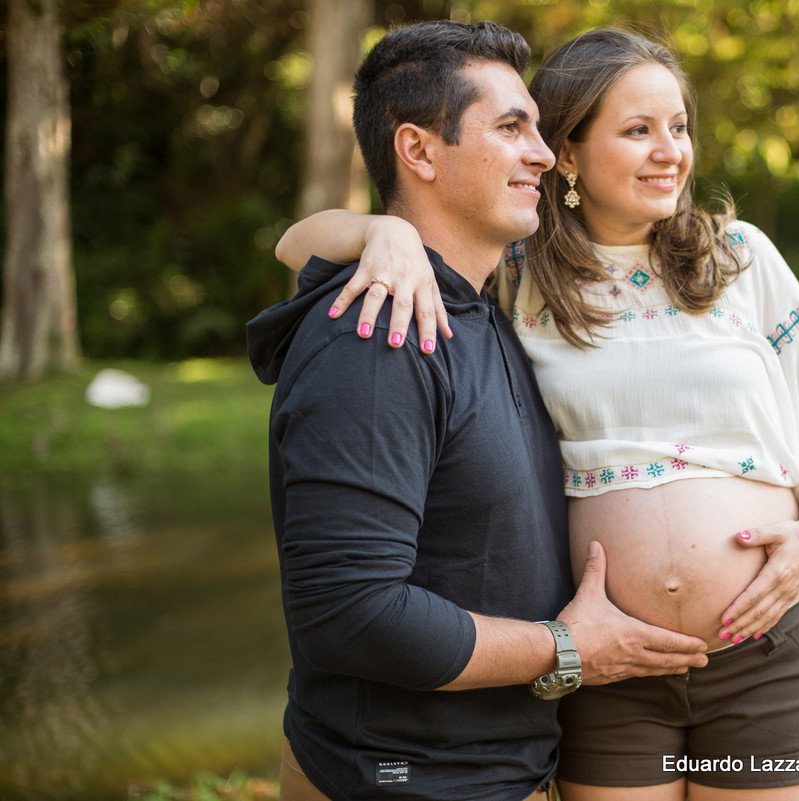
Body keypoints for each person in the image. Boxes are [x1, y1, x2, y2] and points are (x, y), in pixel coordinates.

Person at [277, 28, 799, 801]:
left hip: (764, 643)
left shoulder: (741, 259)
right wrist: (379, 231)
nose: (671, 151)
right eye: (637, 130)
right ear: (569, 153)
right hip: (610, 669)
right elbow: (297, 245)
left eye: (679, 127)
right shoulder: (519, 275)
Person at [247, 21, 712, 801]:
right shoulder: (380, 333)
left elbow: (302, 240)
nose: (540, 151)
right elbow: (351, 611)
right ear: (420, 151)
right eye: (510, 127)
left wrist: (376, 228)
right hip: (399, 781)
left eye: (536, 127)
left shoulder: (490, 304)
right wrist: (566, 648)